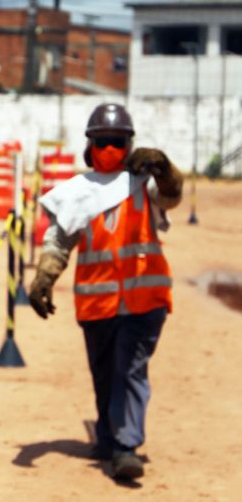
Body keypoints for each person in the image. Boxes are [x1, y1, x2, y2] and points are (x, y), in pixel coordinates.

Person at [28, 103, 183, 480]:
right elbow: (58, 240)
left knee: (129, 369)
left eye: (118, 141)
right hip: (97, 302)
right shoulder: (78, 192)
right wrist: (44, 278)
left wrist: (163, 166)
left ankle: (126, 446)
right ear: (90, 145)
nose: (110, 148)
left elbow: (172, 195)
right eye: (103, 141)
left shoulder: (144, 184)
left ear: (130, 144)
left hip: (144, 301)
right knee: (104, 373)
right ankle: (108, 436)